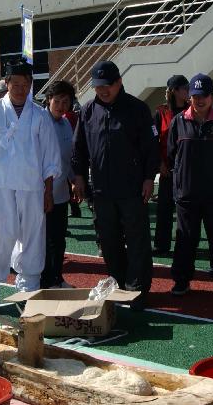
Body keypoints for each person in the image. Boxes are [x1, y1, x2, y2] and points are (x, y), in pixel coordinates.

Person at [0, 60, 61, 313]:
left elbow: (49, 155)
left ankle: (26, 289)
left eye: (25, 85)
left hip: (32, 186)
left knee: (32, 236)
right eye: (15, 84)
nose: (20, 89)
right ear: (7, 84)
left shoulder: (40, 115)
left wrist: (48, 190)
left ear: (31, 85)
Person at [73, 60, 159, 301]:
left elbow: (151, 148)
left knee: (136, 240)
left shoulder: (137, 108)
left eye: (107, 85)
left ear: (119, 82)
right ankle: (118, 286)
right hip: (101, 190)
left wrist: (149, 178)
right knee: (108, 241)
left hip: (131, 188)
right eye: (98, 86)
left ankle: (137, 290)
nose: (103, 90)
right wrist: (78, 175)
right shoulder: (88, 111)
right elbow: (79, 147)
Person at [167, 74, 213, 295]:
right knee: (185, 240)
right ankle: (182, 279)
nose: (200, 100)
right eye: (195, 96)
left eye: (204, 95)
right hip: (187, 193)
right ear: (190, 98)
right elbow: (171, 153)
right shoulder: (178, 121)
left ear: (211, 97)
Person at [41, 80, 77, 289]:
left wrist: (73, 179)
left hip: (61, 193)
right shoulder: (39, 121)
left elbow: (68, 158)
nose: (62, 106)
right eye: (58, 101)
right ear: (48, 100)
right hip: (42, 194)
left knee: (58, 239)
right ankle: (45, 281)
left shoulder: (65, 123)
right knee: (43, 241)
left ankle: (57, 277)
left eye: (66, 102)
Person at [153, 75, 189, 255]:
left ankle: (187, 244)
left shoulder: (192, 110)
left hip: (187, 170)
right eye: (184, 88)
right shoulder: (161, 112)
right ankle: (161, 245)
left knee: (188, 210)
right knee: (164, 209)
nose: (188, 91)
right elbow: (153, 140)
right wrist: (160, 163)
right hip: (167, 169)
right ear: (175, 90)